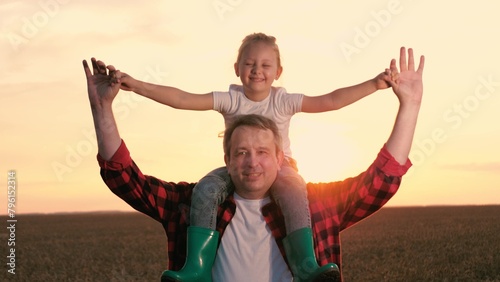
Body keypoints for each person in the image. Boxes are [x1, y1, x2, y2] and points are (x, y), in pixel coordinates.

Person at [82, 46, 424, 281]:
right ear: (227, 159)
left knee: (292, 188)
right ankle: (195, 269)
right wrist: (103, 108)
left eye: (263, 152)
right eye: (241, 152)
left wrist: (408, 104)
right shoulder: (192, 204)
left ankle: (306, 265)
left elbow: (382, 179)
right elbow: (124, 178)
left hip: (295, 189)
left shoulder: (315, 205)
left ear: (280, 157)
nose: (252, 162)